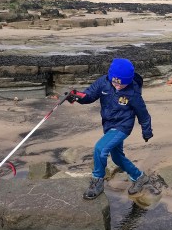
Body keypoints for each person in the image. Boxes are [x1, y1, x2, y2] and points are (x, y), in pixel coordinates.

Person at [66, 58, 157, 200]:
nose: (118, 86)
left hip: (123, 126)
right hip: (108, 125)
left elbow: (143, 115)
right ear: (110, 77)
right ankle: (139, 177)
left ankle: (97, 181)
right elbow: (89, 96)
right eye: (115, 82)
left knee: (100, 149)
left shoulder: (132, 92)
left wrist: (147, 131)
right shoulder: (103, 82)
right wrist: (77, 96)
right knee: (117, 157)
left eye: (123, 83)